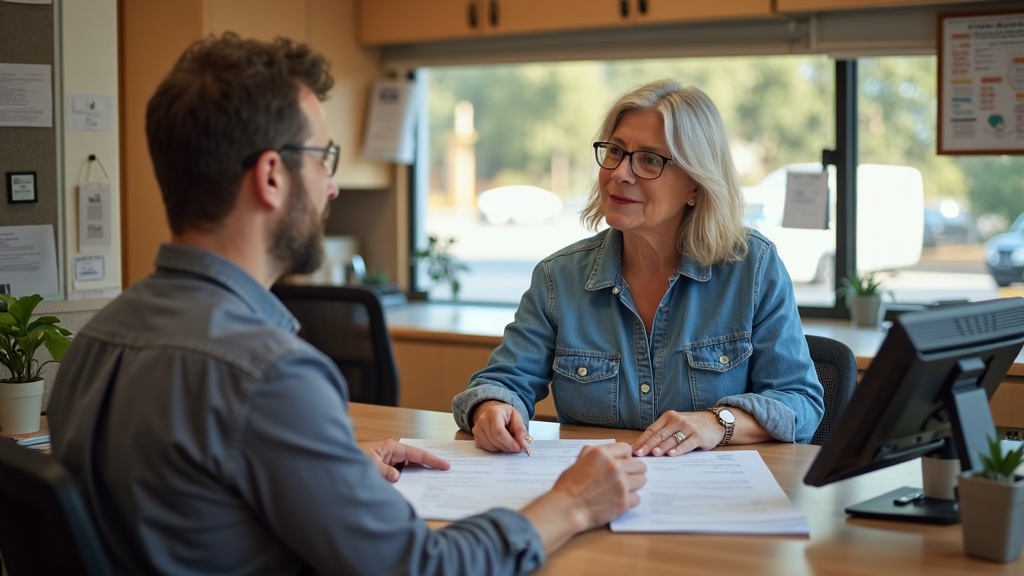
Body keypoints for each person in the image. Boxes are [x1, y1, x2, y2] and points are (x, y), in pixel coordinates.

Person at [47, 33, 646, 576]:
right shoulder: (271, 375)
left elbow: (183, 498)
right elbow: (421, 569)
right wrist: (569, 504)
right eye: (323, 158)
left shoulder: (94, 340)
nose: (332, 185)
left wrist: (320, 464)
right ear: (273, 175)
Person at [453, 79, 824, 458]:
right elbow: (501, 382)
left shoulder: (753, 268)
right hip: (596, 492)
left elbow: (801, 403)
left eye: (649, 159)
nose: (620, 173)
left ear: (695, 185)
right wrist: (492, 409)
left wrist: (717, 422)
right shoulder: (558, 278)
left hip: (714, 500)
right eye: (615, 151)